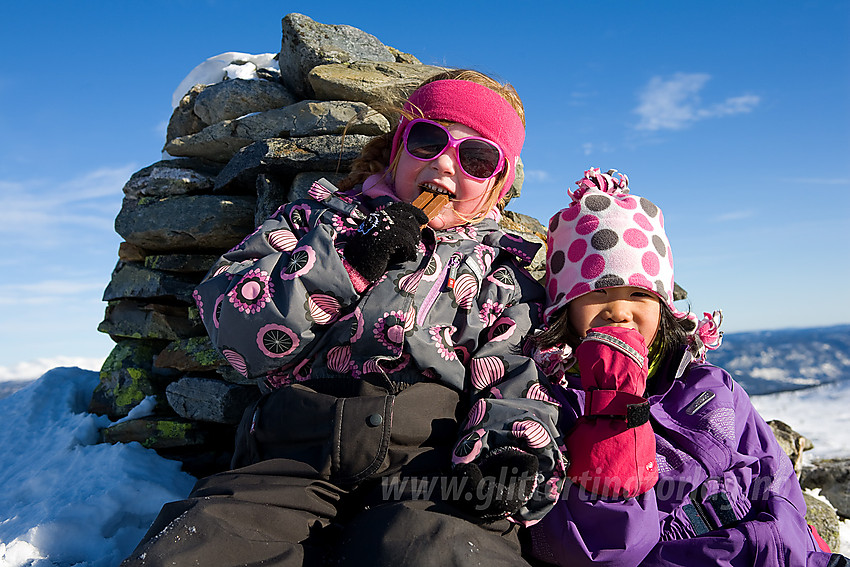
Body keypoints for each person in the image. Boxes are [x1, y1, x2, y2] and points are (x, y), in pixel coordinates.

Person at [120, 69, 566, 567]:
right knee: (199, 547)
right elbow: (233, 328)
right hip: (291, 457)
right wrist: (346, 261)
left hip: (429, 469)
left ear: (498, 186)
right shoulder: (314, 222)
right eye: (427, 139)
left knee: (442, 552)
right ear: (398, 148)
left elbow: (519, 377)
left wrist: (511, 452)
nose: (444, 163)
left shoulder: (500, 275)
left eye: (477, 158)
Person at [523, 168, 844, 567]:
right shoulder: (550, 408)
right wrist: (612, 405)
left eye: (639, 293)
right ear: (564, 307)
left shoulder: (710, 387)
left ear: (663, 305)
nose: (619, 310)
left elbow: (778, 483)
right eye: (596, 292)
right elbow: (603, 551)